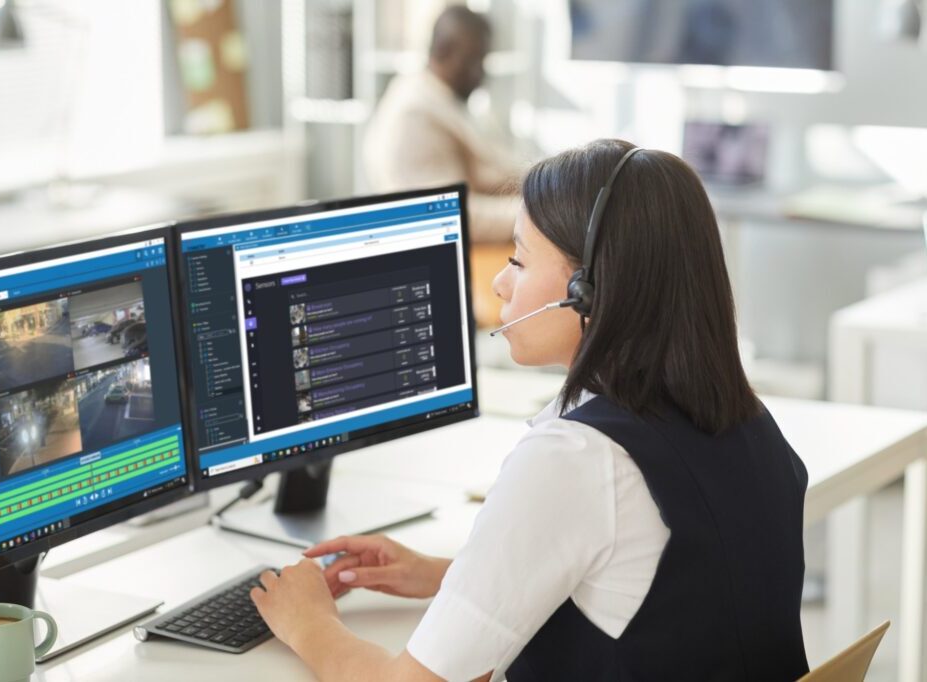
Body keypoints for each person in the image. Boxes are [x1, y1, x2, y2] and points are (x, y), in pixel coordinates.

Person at [249, 139, 810, 681]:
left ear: (586, 289)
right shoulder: (748, 421)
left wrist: (310, 622)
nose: (498, 281)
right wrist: (448, 579)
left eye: (518, 259)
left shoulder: (578, 459)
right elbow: (662, 598)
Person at [362, 6, 521, 243]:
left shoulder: (443, 96)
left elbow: (492, 170)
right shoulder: (413, 114)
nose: (481, 73)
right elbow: (448, 215)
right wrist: (540, 216)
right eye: (474, 60)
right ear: (442, 51)